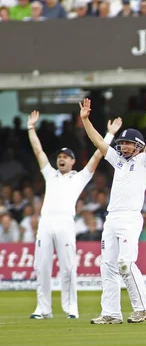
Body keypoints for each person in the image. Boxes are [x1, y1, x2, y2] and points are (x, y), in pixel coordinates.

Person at [27, 109, 119, 320]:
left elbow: (97, 155)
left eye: (66, 157)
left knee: (68, 268)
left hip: (66, 223)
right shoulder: (50, 175)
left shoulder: (79, 178)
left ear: (73, 162)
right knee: (41, 267)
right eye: (59, 156)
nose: (61, 159)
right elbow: (39, 151)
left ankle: (71, 308)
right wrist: (31, 128)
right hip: (46, 223)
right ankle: (43, 309)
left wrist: (110, 134)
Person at [80, 99, 146, 325]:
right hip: (111, 218)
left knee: (125, 263)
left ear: (137, 145)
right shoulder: (119, 162)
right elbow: (98, 141)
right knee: (107, 265)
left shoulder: (145, 161)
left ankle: (143, 307)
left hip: (129, 218)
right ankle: (111, 313)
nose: (123, 146)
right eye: (122, 143)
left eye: (128, 143)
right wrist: (86, 120)